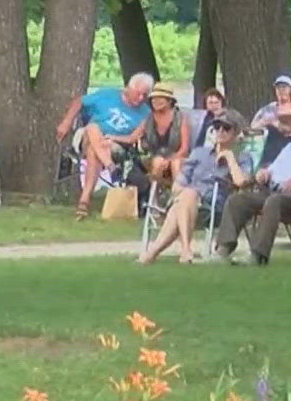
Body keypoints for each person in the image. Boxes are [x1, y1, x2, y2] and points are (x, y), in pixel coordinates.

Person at [213, 93, 291, 266]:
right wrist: (264, 173)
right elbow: (273, 170)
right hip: (278, 194)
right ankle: (223, 249)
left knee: (274, 200)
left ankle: (258, 255)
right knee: (238, 199)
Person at [140, 110, 251, 265]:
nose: (220, 131)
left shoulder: (242, 157)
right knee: (187, 196)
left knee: (184, 200)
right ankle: (184, 251)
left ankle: (153, 253)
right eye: (217, 126)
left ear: (236, 132)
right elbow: (178, 184)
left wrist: (230, 158)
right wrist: (185, 193)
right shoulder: (199, 153)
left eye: (226, 128)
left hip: (214, 208)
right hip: (187, 203)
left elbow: (241, 182)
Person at [56, 73, 152, 219]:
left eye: (144, 96)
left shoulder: (146, 113)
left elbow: (133, 138)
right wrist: (66, 122)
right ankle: (110, 166)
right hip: (86, 137)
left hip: (115, 145)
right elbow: (79, 102)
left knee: (93, 151)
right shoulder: (108, 95)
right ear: (128, 88)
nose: (140, 99)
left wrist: (112, 138)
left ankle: (84, 201)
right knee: (93, 127)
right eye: (138, 94)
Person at [131, 82, 191, 192]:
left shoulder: (181, 118)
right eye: (153, 99)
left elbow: (184, 149)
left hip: (176, 156)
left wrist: (168, 160)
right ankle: (153, 200)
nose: (155, 101)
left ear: (169, 101)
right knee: (157, 161)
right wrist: (111, 138)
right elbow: (132, 138)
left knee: (176, 163)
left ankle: (177, 198)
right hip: (154, 157)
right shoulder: (148, 118)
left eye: (160, 98)